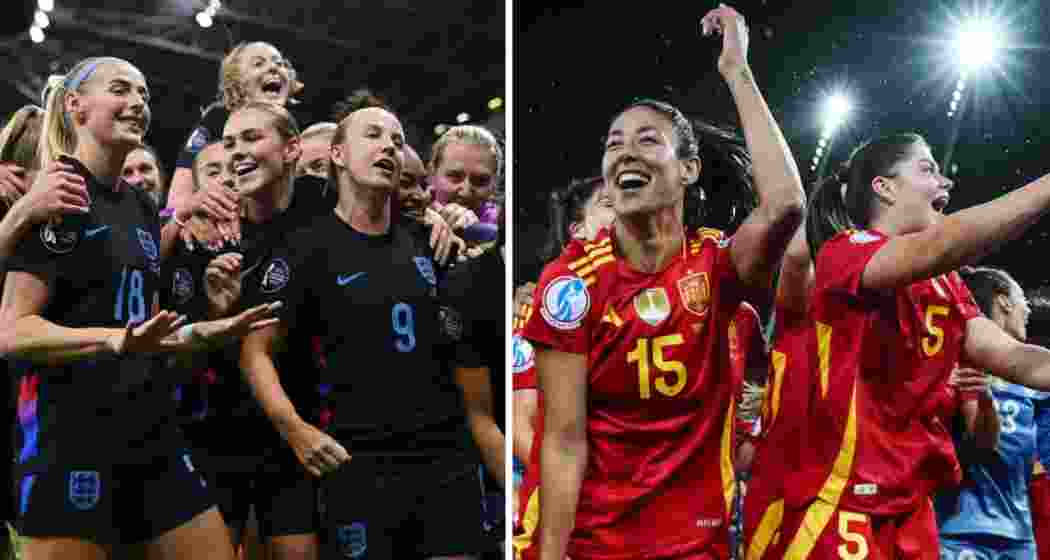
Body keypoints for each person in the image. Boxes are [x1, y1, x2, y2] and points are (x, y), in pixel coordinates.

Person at [521, 5, 806, 559]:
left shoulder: (717, 266)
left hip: (696, 543)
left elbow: (786, 205)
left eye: (648, 140)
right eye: (613, 142)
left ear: (689, 170)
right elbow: (561, 442)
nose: (624, 150)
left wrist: (736, 69)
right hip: (596, 542)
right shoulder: (570, 286)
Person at [0, 55, 278, 560]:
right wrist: (110, 338)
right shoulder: (58, 193)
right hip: (71, 442)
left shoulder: (141, 206)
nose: (138, 104)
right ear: (75, 105)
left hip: (151, 433)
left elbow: (144, 329)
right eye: (122, 90)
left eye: (145, 95)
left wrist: (205, 331)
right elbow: (11, 331)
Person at [778, 123, 1050, 558]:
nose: (944, 182)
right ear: (884, 188)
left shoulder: (947, 286)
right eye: (927, 169)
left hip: (912, 509)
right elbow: (944, 244)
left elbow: (1020, 360)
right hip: (838, 505)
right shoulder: (843, 252)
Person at [240, 103, 483, 559]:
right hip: (358, 461)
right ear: (337, 153)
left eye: (395, 139)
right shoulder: (304, 247)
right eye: (373, 135)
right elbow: (256, 353)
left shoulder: (427, 242)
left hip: (443, 458)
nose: (388, 146)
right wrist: (295, 429)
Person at [936, 266, 1048, 560]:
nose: (1028, 309)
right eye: (1022, 297)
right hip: (958, 530)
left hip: (1018, 533)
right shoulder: (954, 362)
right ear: (1004, 301)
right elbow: (979, 445)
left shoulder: (1035, 379)